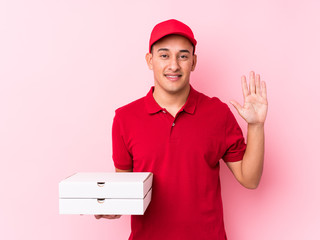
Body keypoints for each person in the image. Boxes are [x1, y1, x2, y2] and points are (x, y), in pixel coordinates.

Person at [96, 19, 268, 240]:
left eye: (183, 56)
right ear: (150, 60)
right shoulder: (125, 118)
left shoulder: (218, 113)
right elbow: (125, 191)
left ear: (193, 62)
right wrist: (111, 207)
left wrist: (256, 126)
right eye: (164, 55)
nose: (174, 65)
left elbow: (250, 179)